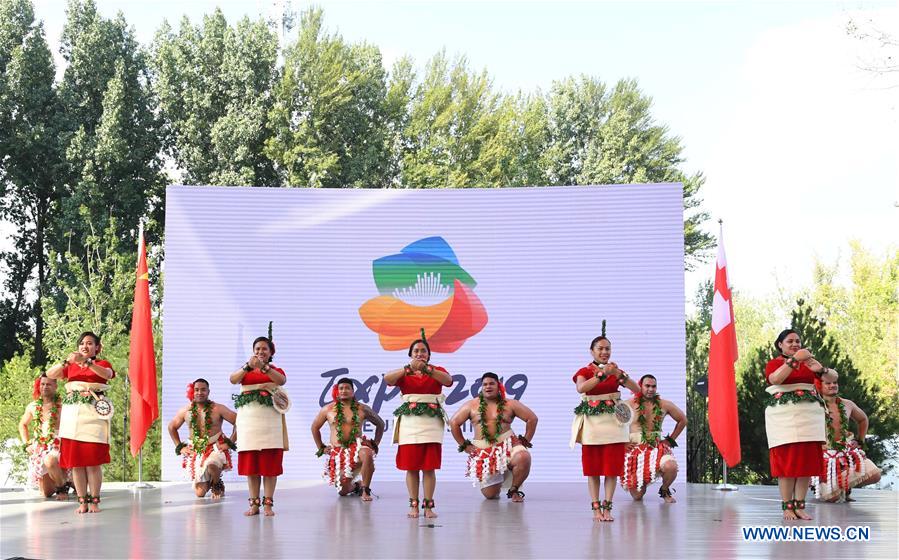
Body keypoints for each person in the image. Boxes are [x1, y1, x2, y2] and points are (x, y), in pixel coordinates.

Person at [571, 335, 640, 522]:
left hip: (614, 425)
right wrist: (602, 374)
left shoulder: (616, 371)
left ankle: (607, 507)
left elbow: (637, 389)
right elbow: (581, 388)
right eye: (600, 348)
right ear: (592, 351)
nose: (604, 352)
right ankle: (596, 509)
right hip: (592, 425)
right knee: (593, 469)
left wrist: (620, 375)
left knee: (611, 469)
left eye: (607, 348)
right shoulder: (584, 371)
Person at [45, 331, 115, 514]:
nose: (85, 346)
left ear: (97, 348)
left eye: (90, 343)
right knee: (76, 463)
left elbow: (107, 374)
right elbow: (50, 374)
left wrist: (88, 362)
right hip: (72, 416)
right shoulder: (71, 366)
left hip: (93, 415)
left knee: (92, 461)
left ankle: (95, 501)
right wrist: (67, 362)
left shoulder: (101, 364)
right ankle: (82, 501)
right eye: (82, 343)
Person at [383, 337, 453, 518]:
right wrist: (408, 369)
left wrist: (428, 370)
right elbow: (387, 379)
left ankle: (428, 506)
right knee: (411, 466)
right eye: (416, 351)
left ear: (429, 355)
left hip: (432, 423)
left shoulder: (437, 371)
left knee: (429, 467)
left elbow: (448, 381)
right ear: (410, 355)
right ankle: (413, 504)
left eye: (423, 351)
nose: (420, 354)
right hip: (409, 423)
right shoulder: (404, 373)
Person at [765, 329, 828, 520]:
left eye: (798, 341)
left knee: (805, 463)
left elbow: (830, 380)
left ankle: (800, 505)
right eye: (790, 341)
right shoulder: (775, 363)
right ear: (780, 345)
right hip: (784, 417)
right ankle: (787, 506)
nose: (795, 344)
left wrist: (821, 369)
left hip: (810, 417)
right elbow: (775, 379)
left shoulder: (809, 364)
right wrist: (794, 360)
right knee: (787, 462)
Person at [450, 372, 538, 502]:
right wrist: (464, 445)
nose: (488, 386)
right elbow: (454, 423)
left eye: (492, 383)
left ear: (499, 386)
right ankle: (500, 473)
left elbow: (532, 419)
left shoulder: (510, 404)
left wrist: (525, 441)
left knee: (523, 456)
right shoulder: (471, 405)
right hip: (485, 452)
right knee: (490, 495)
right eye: (485, 384)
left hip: (508, 445)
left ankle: (514, 490)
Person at [229, 336, 288, 517]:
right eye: (257, 349)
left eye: (264, 349)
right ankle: (254, 504)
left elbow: (281, 380)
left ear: (271, 353)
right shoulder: (245, 371)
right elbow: (232, 379)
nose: (260, 352)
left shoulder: (274, 370)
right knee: (252, 467)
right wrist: (248, 366)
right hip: (249, 424)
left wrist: (264, 367)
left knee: (269, 466)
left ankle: (268, 504)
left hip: (270, 424)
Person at [811, 371, 882, 502]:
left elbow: (863, 419)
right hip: (822, 455)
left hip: (846, 452)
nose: (833, 385)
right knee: (833, 498)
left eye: (835, 382)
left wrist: (860, 440)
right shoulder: (811, 405)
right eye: (828, 383)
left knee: (875, 474)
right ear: (819, 385)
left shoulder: (847, 404)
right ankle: (821, 486)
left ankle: (844, 487)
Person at [311, 377, 386, 501]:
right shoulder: (328, 409)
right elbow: (314, 428)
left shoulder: (362, 408)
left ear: (353, 391)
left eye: (347, 388)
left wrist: (375, 443)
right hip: (338, 452)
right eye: (341, 388)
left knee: (366, 453)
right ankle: (357, 486)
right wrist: (321, 447)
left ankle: (365, 490)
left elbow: (380, 424)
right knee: (343, 491)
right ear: (337, 391)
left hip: (357, 449)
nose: (344, 391)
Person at [168, 378, 238, 498]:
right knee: (200, 493)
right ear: (193, 392)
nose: (200, 392)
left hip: (216, 447)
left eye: (203, 390)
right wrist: (180, 447)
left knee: (212, 464)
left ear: (208, 391)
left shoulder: (218, 408)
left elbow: (239, 422)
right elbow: (172, 427)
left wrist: (230, 442)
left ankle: (216, 484)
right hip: (197, 449)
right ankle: (212, 479)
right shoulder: (186, 410)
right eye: (197, 390)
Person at [621, 374, 686, 503]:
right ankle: (642, 478)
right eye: (647, 386)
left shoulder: (664, 404)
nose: (650, 389)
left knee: (671, 466)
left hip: (656, 449)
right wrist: (623, 442)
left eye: (653, 386)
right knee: (638, 495)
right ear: (640, 386)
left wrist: (670, 440)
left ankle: (664, 489)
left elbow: (682, 420)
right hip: (635, 451)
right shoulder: (628, 404)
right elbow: (613, 425)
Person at [18, 375, 71, 498]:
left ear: (55, 386)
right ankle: (64, 481)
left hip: (59, 446)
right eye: (42, 384)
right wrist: (26, 444)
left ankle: (62, 488)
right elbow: (22, 424)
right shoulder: (33, 406)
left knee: (50, 460)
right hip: (41, 447)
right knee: (46, 493)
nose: (45, 387)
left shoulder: (63, 405)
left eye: (49, 384)